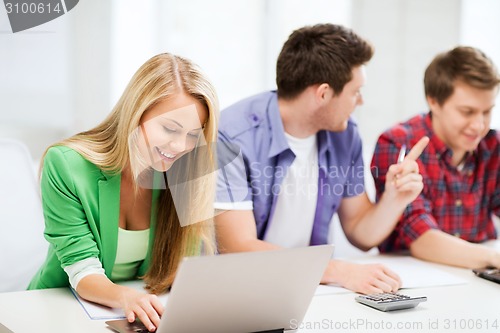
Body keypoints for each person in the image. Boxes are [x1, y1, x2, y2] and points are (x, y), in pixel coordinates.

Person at [214, 23, 429, 294]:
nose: (360, 101)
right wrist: (338, 271)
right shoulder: (228, 136)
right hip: (239, 289)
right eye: (355, 92)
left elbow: (361, 232)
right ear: (324, 93)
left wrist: (394, 199)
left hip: (310, 289)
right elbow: (238, 247)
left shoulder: (345, 134)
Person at [28, 53, 219, 332]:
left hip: (142, 318)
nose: (180, 146)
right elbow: (83, 271)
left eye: (193, 134)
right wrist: (127, 297)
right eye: (169, 129)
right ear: (136, 113)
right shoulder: (67, 165)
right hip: (59, 312)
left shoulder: (186, 171)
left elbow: (184, 270)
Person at [371, 46, 500, 269]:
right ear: (433, 102)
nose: (479, 125)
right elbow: (420, 238)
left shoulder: (492, 145)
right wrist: (492, 258)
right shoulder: (398, 143)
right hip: (415, 279)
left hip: (479, 275)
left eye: (487, 111)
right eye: (467, 112)